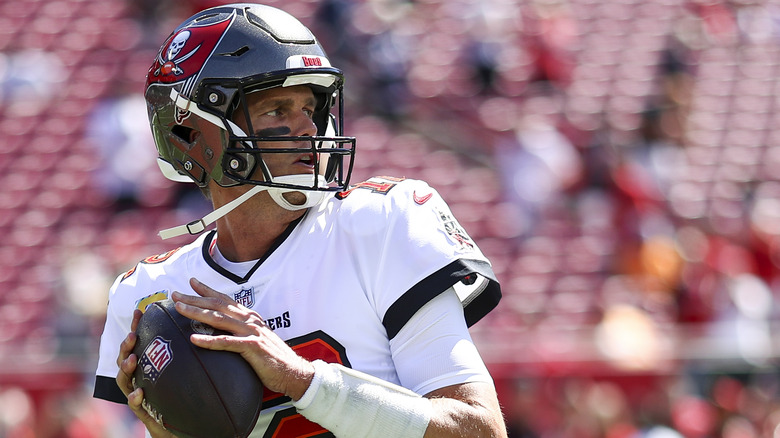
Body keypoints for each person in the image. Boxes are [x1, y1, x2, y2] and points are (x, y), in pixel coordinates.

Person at [93, 4, 506, 437]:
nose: (308, 127)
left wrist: (301, 380)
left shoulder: (380, 223)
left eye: (311, 108)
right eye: (277, 110)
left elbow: (479, 431)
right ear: (194, 136)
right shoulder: (147, 295)